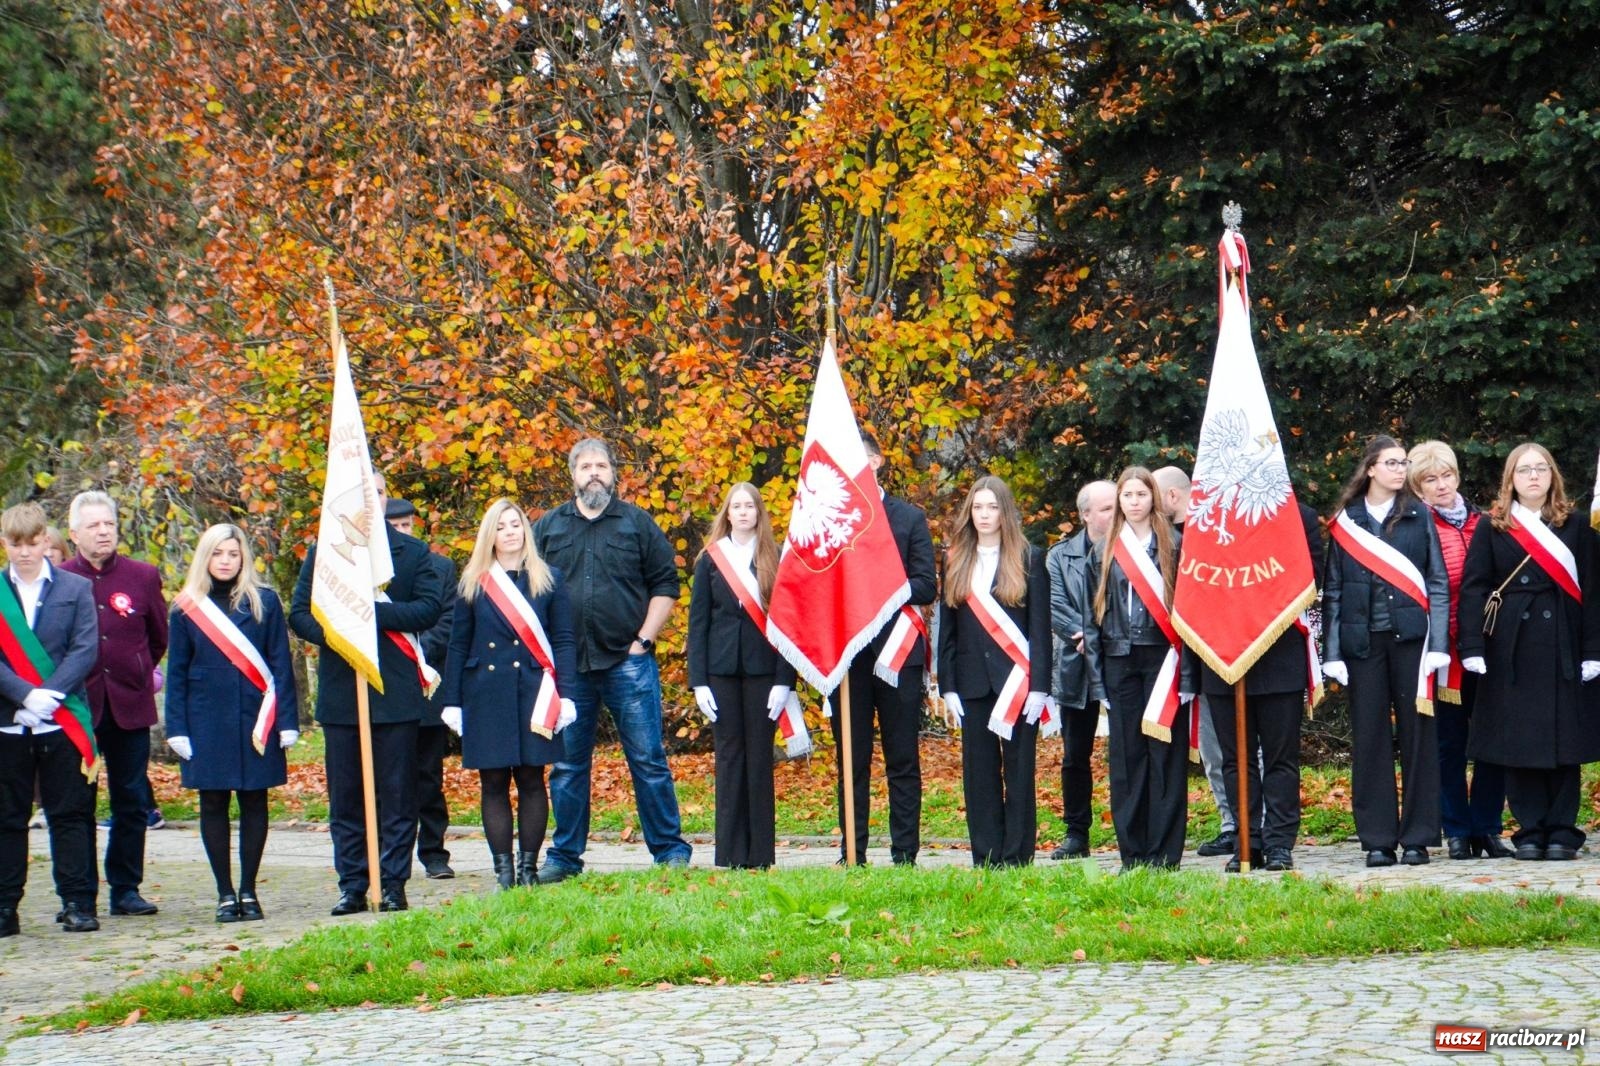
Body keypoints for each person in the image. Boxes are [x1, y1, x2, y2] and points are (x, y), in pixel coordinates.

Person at [532, 438, 691, 882]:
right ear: (572, 475)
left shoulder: (637, 524)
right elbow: (529, 592)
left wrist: (643, 640)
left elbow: (666, 585)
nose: (594, 473)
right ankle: (564, 858)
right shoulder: (547, 527)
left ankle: (670, 851)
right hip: (569, 668)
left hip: (628, 662)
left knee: (648, 759)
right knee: (566, 766)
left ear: (613, 472)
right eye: (585, 466)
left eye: (601, 464)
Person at [289, 473, 446, 914]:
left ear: (385, 498)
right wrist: (341, 631)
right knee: (347, 797)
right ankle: (353, 883)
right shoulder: (325, 553)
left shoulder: (412, 553)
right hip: (343, 693)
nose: (369, 501)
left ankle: (392, 882)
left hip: (393, 691)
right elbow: (299, 614)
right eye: (359, 494)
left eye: (376, 493)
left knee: (398, 794)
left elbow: (429, 609)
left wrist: (371, 615)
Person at [1457, 444, 1600, 861]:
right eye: (1524, 470)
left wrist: (1594, 649)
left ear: (1553, 475)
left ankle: (1562, 832)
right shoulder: (1493, 526)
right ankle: (1530, 830)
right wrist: (1472, 645)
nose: (1533, 476)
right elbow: (1474, 588)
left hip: (1564, 644)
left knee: (1564, 740)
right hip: (1510, 648)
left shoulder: (1575, 526)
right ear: (1511, 478)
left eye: (1541, 469)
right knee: (1517, 741)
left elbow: (1593, 592)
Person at [1322, 436, 1451, 868]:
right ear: (1371, 469)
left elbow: (1436, 580)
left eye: (1403, 462)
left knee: (1419, 738)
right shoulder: (1347, 521)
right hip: (1363, 645)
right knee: (1371, 741)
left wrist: (1438, 646)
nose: (1400, 469)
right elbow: (1334, 590)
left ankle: (1417, 838)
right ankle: (1377, 839)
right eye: (1392, 462)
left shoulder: (1419, 515)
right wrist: (1332, 651)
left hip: (1413, 642)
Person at [164, 524, 300, 922]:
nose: (225, 561)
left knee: (255, 800)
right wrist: (177, 727)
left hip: (256, 718)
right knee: (213, 803)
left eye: (233, 554)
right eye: (218, 553)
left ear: (244, 559)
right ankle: (225, 892)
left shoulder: (265, 602)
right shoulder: (187, 606)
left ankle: (249, 890)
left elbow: (280, 665)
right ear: (205, 557)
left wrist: (286, 721)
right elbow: (177, 672)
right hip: (206, 718)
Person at [439, 499, 577, 889]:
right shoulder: (473, 581)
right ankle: (503, 872)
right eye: (501, 526)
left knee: (533, 780)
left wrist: (565, 695)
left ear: (525, 531)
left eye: (516, 524)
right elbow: (457, 644)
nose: (511, 532)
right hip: (486, 693)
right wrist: (452, 700)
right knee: (493, 782)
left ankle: (529, 869)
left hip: (535, 692)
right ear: (490, 535)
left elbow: (564, 640)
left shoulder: (549, 578)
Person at [1198, 500, 1323, 873]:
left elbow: (1314, 577)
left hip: (1278, 652)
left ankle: (1280, 842)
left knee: (1281, 757)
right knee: (1236, 759)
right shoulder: (1209, 517)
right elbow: (1194, 584)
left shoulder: (1297, 516)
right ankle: (1246, 841)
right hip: (1223, 654)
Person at [60, 490, 168, 917]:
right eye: (93, 526)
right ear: (74, 533)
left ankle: (125, 888)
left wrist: (138, 669)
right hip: (78, 709)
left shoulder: (142, 576)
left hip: (129, 703)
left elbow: (158, 636)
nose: (104, 532)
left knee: (130, 799)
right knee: (75, 802)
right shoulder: (62, 578)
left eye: (109, 524)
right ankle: (78, 892)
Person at [831, 434, 937, 866]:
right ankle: (852, 853)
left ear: (875, 460)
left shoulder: (908, 517)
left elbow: (926, 584)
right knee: (851, 759)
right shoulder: (834, 518)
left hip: (898, 653)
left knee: (902, 758)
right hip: (849, 656)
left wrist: (881, 585)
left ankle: (904, 854)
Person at [1083, 466, 1194, 871]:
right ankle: (1134, 853)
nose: (1134, 502)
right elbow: (1090, 618)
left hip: (1164, 660)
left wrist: (1187, 676)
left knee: (1166, 756)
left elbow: (1188, 612)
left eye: (1141, 494)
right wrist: (1097, 681)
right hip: (1119, 661)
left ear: (1154, 498)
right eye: (1126, 495)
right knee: (1128, 759)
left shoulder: (1175, 545)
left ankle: (1166, 854)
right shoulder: (1104, 550)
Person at [938, 476, 1051, 867]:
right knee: (979, 773)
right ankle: (985, 855)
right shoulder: (954, 558)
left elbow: (1039, 628)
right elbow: (948, 627)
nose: (984, 515)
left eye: (992, 507)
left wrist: (1040, 686)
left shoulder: (1029, 557)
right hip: (971, 683)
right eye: (978, 508)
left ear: (1006, 511)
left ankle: (1017, 855)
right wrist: (947, 683)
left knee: (1019, 773)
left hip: (1017, 683)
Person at [0, 502, 101, 935]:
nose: (24, 552)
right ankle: (5, 906)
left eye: (32, 543)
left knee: (70, 813)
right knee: (7, 817)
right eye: (15, 544)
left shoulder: (75, 588)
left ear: (46, 539)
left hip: (62, 721)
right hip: (9, 719)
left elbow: (85, 648)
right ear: (5, 544)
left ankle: (78, 901)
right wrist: (23, 696)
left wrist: (49, 696)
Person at [1408, 440, 1510, 860]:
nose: (1441, 485)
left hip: (1491, 648)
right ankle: (1456, 828)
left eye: (1446, 475)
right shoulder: (1413, 527)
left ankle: (1487, 827)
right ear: (1417, 486)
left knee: (1492, 740)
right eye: (1430, 479)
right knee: (1448, 745)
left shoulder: (1486, 523)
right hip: (1442, 652)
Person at [688, 482, 797, 870]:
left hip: (764, 673)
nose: (744, 512)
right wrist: (698, 681)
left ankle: (760, 854)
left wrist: (785, 680)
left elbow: (788, 624)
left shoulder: (776, 557)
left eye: (750, 506)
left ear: (759, 513)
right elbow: (698, 622)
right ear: (727, 513)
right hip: (720, 673)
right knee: (729, 757)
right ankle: (730, 852)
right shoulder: (710, 559)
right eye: (736, 506)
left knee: (758, 759)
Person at [1153, 465, 1235, 859]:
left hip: (1219, 649)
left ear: (1172, 496)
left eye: (1152, 494)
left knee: (1237, 743)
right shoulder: (1161, 540)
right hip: (1181, 656)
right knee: (1211, 747)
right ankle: (1230, 823)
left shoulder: (1210, 534)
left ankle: (1257, 821)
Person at [385, 498, 460, 880]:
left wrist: (414, 656)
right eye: (393, 527)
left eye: (406, 526)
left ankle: (433, 852)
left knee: (428, 776)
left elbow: (447, 620)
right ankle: (388, 853)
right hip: (383, 687)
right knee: (389, 777)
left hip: (426, 683)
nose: (402, 533)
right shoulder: (372, 572)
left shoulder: (439, 567)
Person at [1044, 479, 1114, 859]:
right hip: (1076, 664)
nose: (1113, 513)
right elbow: (1055, 605)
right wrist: (1089, 636)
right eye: (1104, 508)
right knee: (1075, 755)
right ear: (1085, 514)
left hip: (1122, 661)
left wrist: (1108, 640)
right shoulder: (1060, 556)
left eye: (1115, 506)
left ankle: (1132, 829)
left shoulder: (1131, 550)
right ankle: (1076, 834)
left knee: (1128, 751)